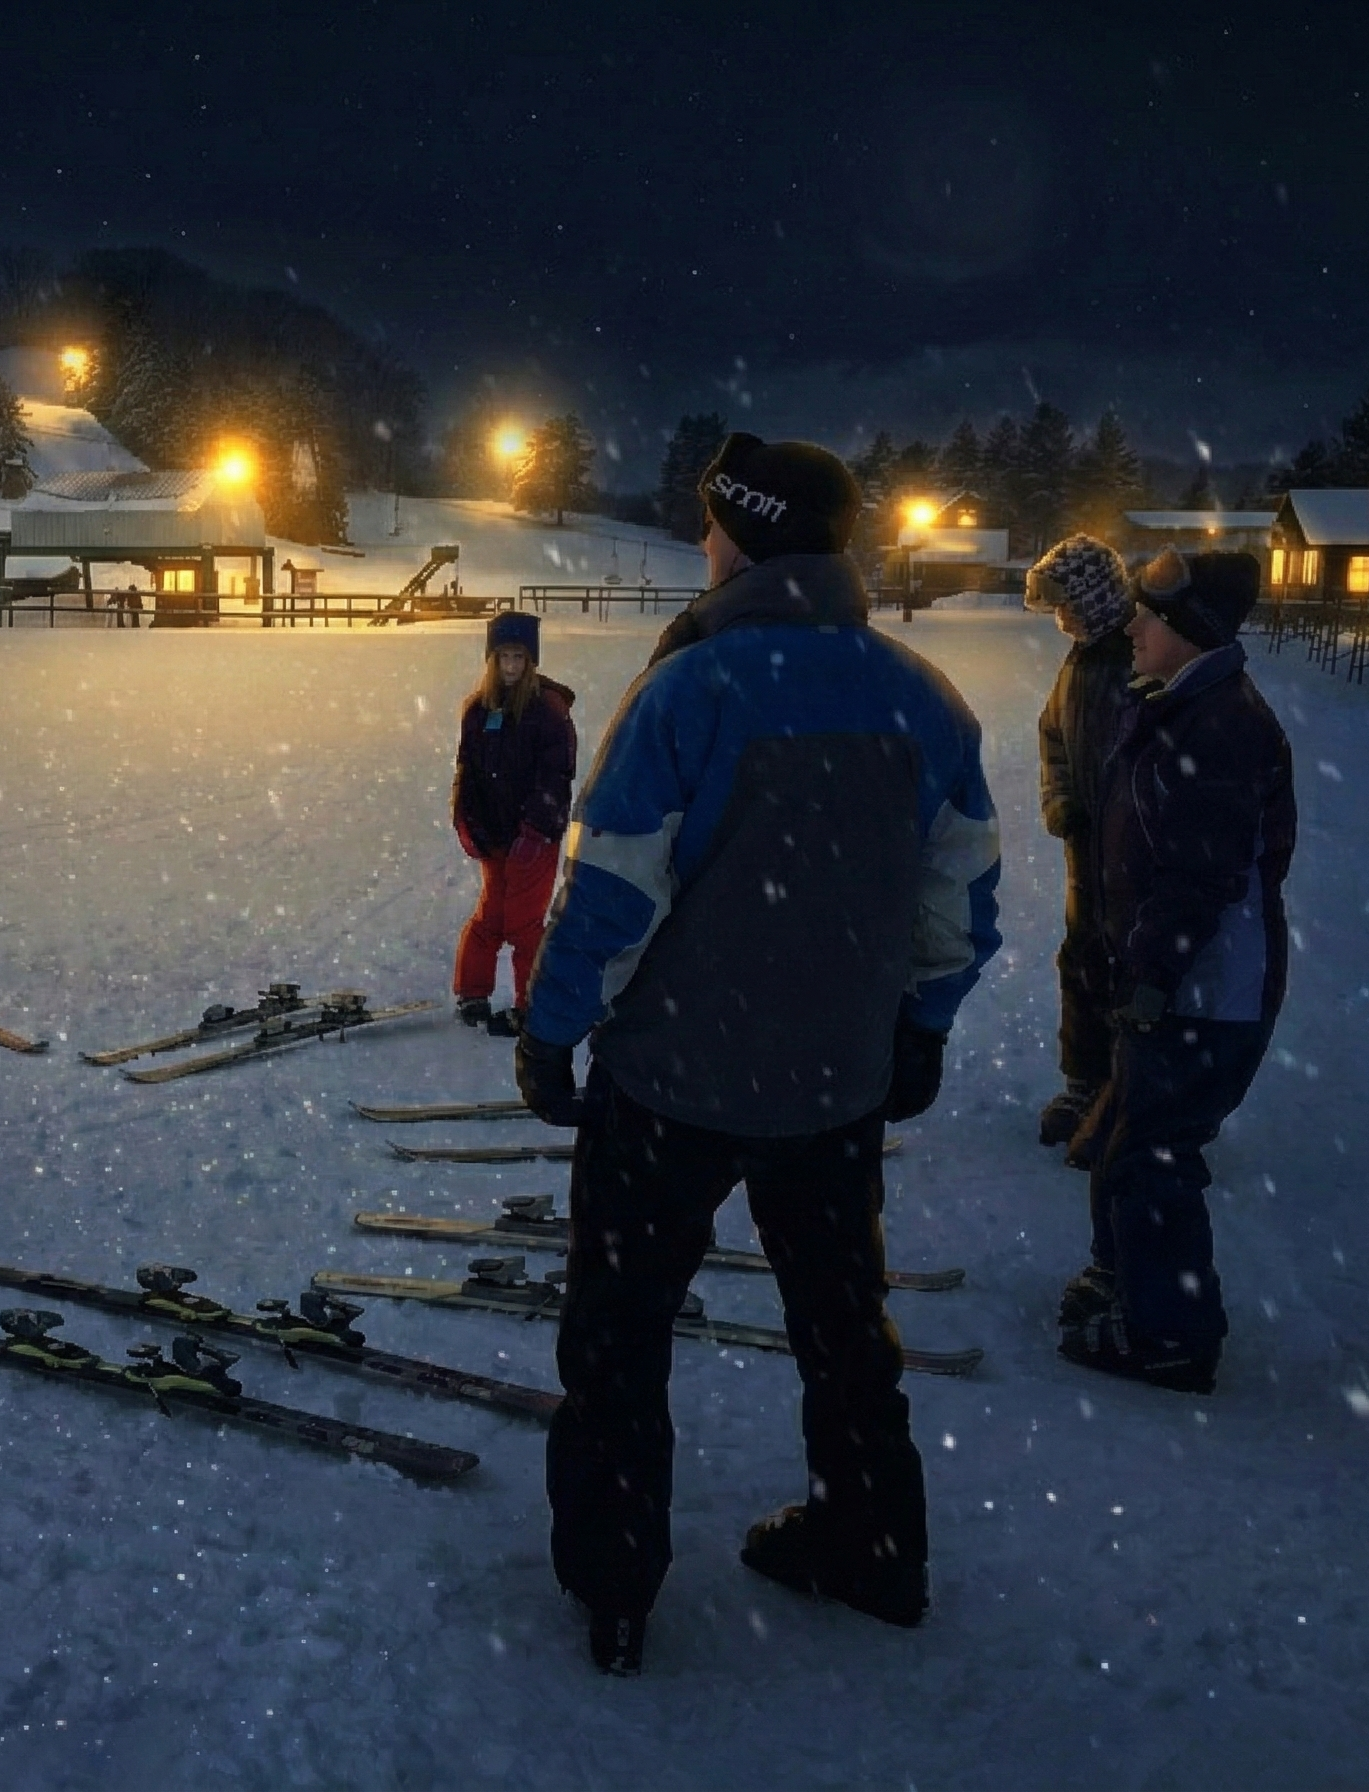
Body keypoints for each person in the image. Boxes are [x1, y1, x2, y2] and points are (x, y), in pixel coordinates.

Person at [512, 432, 1002, 1673]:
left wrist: (554, 1030)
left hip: (672, 1083)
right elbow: (961, 896)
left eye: (711, 523)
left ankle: (616, 1585)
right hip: (831, 1088)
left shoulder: (693, 689)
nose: (698, 541)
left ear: (748, 534)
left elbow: (611, 894)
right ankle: (875, 1544)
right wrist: (922, 1027)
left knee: (620, 1335)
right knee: (844, 1329)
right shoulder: (920, 696)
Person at [1057, 549, 1294, 1394]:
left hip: (1204, 990)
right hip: (1173, 978)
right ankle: (1130, 1281)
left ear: (1191, 632)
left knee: (1152, 1152)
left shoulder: (1219, 726)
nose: (1133, 626)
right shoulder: (1180, 705)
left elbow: (1198, 876)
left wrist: (1151, 979)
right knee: (1126, 1138)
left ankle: (1171, 1335)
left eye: (1151, 617)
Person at [1024, 534, 1137, 1148]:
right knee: (1083, 958)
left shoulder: (1140, 655)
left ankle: (1131, 1087)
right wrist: (1060, 799)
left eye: (1066, 605)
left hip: (1133, 848)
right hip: (1084, 843)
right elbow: (1053, 736)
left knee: (1132, 963)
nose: (1060, 619)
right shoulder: (1081, 659)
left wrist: (1130, 819)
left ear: (1093, 598)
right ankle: (1085, 1079)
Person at [450, 611, 578, 1037]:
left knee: (525, 925)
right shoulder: (477, 711)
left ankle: (531, 1006)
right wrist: (467, 822)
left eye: (518, 658)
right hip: (495, 837)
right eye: (503, 657)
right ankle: (472, 992)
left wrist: (537, 831)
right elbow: (466, 772)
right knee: (491, 916)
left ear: (530, 662)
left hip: (533, 839)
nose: (510, 666)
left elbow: (556, 777)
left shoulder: (548, 711)